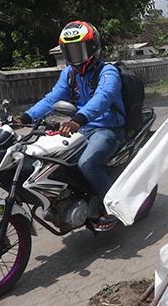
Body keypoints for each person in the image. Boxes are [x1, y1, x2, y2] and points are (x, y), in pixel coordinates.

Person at [20, 20, 124, 231]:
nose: (76, 56)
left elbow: (103, 98)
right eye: (71, 51)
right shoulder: (69, 74)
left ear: (93, 47)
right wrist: (25, 117)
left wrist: (78, 119)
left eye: (80, 49)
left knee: (87, 163)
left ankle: (114, 208)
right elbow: (52, 100)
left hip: (107, 128)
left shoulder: (108, 72)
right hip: (83, 127)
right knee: (51, 158)